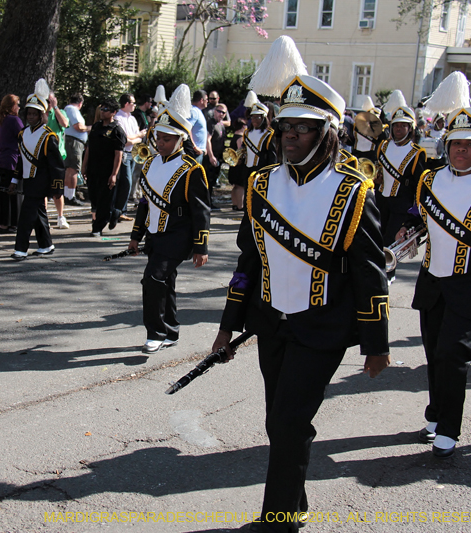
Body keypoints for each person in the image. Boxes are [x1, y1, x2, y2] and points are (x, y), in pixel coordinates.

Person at [211, 69, 390, 531]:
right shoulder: (262, 184)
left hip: (322, 326)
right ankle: (296, 499)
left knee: (290, 421)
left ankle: (279, 520)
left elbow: (370, 273)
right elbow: (247, 262)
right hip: (271, 321)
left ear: (326, 132)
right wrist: (227, 326)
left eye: (302, 127)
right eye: (285, 127)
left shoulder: (352, 189)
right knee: (280, 421)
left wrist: (376, 342)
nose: (290, 135)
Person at [397, 90, 471, 459]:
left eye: (468, 145)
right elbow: (419, 214)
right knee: (435, 353)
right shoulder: (430, 180)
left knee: (453, 355)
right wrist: (406, 229)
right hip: (433, 280)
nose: (459, 151)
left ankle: (449, 428)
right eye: (454, 144)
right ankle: (435, 414)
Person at [128, 84, 211, 353]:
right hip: (154, 235)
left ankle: (155, 332)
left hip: (179, 234)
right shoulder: (150, 164)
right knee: (166, 281)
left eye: (166, 139)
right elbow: (145, 202)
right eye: (159, 138)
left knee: (152, 279)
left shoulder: (192, 169)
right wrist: (135, 236)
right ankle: (171, 331)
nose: (160, 143)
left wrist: (201, 246)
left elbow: (201, 212)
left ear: (180, 140)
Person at [8, 79, 64, 261]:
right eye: (29, 113)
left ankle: (21, 249)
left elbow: (56, 166)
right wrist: (14, 180)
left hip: (41, 181)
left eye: (35, 114)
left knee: (26, 216)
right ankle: (46, 244)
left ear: (41, 115)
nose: (31, 117)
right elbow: (20, 160)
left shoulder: (49, 136)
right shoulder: (22, 134)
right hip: (28, 180)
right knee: (39, 213)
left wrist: (57, 188)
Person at [375, 104, 426, 283]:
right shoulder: (382, 146)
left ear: (410, 128)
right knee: (376, 236)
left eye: (403, 125)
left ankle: (389, 273)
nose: (399, 129)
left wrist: (416, 210)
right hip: (381, 199)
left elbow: (419, 183)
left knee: (391, 240)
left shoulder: (417, 152)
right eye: (396, 125)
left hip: (401, 202)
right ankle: (377, 271)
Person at [84, 98, 126, 237]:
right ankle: (114, 212)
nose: (102, 112)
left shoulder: (116, 130)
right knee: (94, 197)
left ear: (113, 112)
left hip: (107, 170)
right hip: (93, 168)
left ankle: (97, 227)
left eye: (106, 109)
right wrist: (84, 166)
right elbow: (89, 148)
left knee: (104, 200)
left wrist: (114, 174)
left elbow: (118, 154)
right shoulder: (96, 127)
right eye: (102, 109)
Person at [236, 91, 276, 211]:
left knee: (259, 201)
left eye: (257, 117)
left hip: (261, 170)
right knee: (248, 199)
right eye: (252, 117)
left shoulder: (269, 134)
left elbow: (272, 156)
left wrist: (270, 174)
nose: (253, 119)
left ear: (263, 118)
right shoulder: (247, 133)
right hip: (247, 170)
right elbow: (244, 149)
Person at [0, 94, 23, 233]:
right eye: (17, 104)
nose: (19, 107)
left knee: (3, 192)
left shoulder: (2, 119)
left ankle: (2, 222)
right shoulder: (14, 120)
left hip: (1, 159)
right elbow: (23, 136)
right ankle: (12, 222)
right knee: (14, 191)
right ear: (12, 106)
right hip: (12, 160)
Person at [114, 93, 145, 220]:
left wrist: (135, 138)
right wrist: (137, 137)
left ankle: (122, 209)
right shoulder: (118, 118)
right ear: (126, 104)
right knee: (126, 181)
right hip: (124, 152)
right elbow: (125, 139)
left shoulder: (132, 118)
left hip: (133, 152)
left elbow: (136, 135)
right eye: (133, 103)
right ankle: (120, 210)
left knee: (128, 180)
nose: (135, 105)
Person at [46, 92, 69, 229]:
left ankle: (60, 217)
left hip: (58, 155)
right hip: (42, 155)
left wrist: (55, 108)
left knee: (58, 187)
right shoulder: (41, 113)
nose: (49, 103)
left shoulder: (59, 112)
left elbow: (65, 124)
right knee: (44, 187)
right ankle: (44, 217)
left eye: (50, 100)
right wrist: (46, 109)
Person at [63, 93, 90, 207]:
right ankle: (70, 196)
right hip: (74, 142)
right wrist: (90, 128)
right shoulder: (72, 110)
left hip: (71, 141)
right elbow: (78, 127)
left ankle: (66, 194)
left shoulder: (67, 109)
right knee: (74, 169)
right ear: (80, 103)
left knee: (69, 170)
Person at [204, 103, 228, 205]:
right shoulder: (211, 123)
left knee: (213, 181)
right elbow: (207, 140)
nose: (221, 114)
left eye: (223, 112)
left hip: (219, 157)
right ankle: (207, 202)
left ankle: (210, 200)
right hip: (210, 157)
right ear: (214, 111)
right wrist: (211, 156)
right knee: (208, 181)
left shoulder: (221, 125)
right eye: (219, 111)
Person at [189, 90, 208, 164]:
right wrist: (194, 146)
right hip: (195, 153)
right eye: (206, 100)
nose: (207, 102)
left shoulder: (198, 111)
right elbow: (187, 129)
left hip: (198, 152)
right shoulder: (194, 111)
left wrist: (203, 148)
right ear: (201, 100)